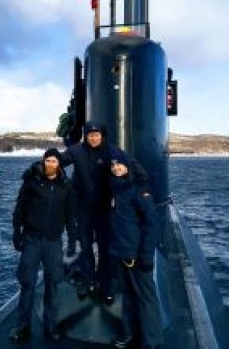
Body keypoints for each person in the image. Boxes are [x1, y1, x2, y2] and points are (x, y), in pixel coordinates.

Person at [61, 121, 147, 303]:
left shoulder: (112, 151)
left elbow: (131, 165)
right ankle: (89, 280)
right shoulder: (76, 151)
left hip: (104, 209)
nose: (93, 138)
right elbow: (57, 161)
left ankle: (105, 284)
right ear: (86, 135)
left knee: (106, 248)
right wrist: (38, 170)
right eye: (90, 135)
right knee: (85, 248)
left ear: (102, 135)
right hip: (83, 209)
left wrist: (139, 183)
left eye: (97, 135)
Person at [10, 148, 77, 342]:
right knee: (28, 283)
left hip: (53, 243)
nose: (50, 164)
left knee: (52, 284)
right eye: (48, 161)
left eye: (54, 161)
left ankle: (51, 326)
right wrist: (17, 232)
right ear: (43, 161)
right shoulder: (32, 181)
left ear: (59, 164)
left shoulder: (66, 186)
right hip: (32, 240)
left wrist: (72, 240)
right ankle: (23, 326)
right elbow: (20, 208)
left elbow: (70, 215)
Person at [108, 148, 163, 349]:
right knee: (128, 296)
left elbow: (152, 224)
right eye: (113, 165)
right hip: (121, 253)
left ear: (128, 166)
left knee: (146, 298)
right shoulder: (116, 188)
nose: (115, 168)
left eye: (119, 164)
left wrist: (146, 255)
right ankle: (130, 334)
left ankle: (153, 342)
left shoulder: (139, 189)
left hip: (138, 255)